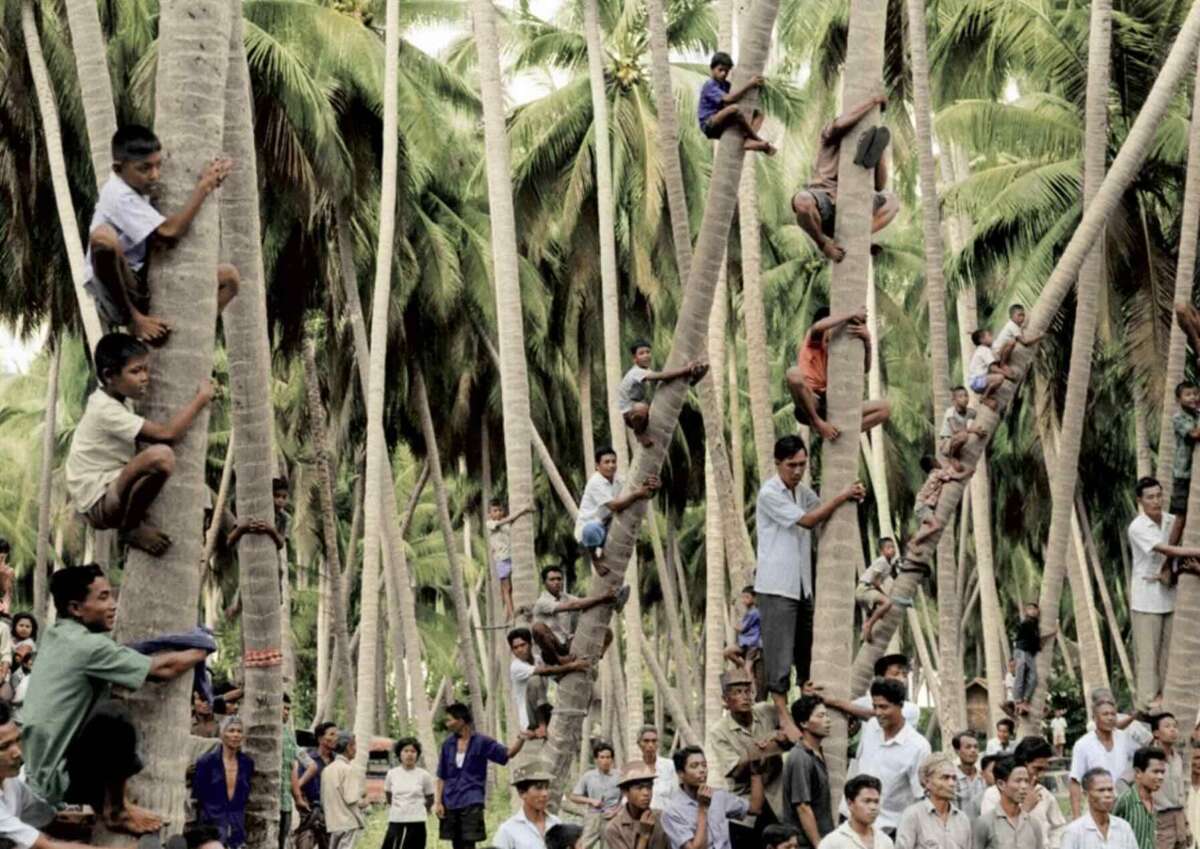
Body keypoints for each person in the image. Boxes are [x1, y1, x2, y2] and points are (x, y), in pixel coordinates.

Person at [22, 564, 208, 834]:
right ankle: (116, 810)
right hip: (55, 781)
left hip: (39, 770)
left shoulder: (55, 636)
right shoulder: (89, 646)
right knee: (114, 716)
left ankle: (106, 802)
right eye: (103, 597)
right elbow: (162, 670)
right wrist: (203, 648)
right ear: (76, 608)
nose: (113, 605)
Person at [756, 435, 867, 740]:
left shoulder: (801, 492)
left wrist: (850, 497)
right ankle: (783, 716)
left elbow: (823, 510)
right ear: (778, 463)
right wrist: (842, 496)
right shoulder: (770, 493)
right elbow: (808, 520)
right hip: (777, 585)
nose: (797, 471)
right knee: (779, 655)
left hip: (803, 586)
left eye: (802, 465)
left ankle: (808, 710)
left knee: (806, 653)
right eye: (791, 465)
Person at [65, 333, 216, 555]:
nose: (145, 377)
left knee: (201, 488)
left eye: (146, 369)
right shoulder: (104, 409)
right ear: (109, 376)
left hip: (113, 488)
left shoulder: (119, 399)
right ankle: (130, 529)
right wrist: (201, 399)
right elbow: (168, 434)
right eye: (135, 371)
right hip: (99, 500)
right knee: (161, 456)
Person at [84, 124, 238, 342]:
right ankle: (135, 321)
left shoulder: (140, 186)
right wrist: (204, 187)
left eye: (158, 165)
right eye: (144, 168)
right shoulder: (118, 195)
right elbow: (169, 231)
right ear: (118, 169)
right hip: (116, 292)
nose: (155, 175)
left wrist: (218, 168)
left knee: (230, 278)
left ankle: (194, 332)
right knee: (103, 238)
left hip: (145, 277)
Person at [791, 93, 898, 262]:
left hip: (856, 204)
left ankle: (861, 236)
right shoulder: (830, 134)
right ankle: (824, 245)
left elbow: (879, 185)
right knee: (802, 201)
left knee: (892, 201)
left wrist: (880, 152)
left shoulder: (871, 139)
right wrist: (873, 100)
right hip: (825, 201)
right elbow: (840, 124)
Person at [1126, 478, 1200, 710]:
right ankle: (1148, 702)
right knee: (1149, 654)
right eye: (1150, 497)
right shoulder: (1137, 527)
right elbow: (1165, 549)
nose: (1156, 501)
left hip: (1170, 595)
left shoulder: (1171, 521)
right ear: (1140, 500)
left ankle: (1168, 698)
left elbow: (1177, 546)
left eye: (1159, 495)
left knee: (1168, 653)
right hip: (1146, 599)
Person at [786, 307, 891, 442]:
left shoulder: (838, 352)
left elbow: (865, 369)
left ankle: (840, 432)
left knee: (884, 409)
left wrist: (867, 342)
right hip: (810, 403)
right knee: (793, 374)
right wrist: (852, 313)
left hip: (830, 405)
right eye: (829, 331)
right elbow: (818, 327)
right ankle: (818, 423)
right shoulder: (814, 342)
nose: (831, 336)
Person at [842, 678, 930, 837]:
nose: (877, 712)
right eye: (875, 706)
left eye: (884, 707)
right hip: (850, 824)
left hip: (888, 832)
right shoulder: (871, 727)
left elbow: (921, 797)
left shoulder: (918, 747)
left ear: (900, 705)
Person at [435, 703, 530, 849]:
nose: (447, 724)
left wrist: (521, 738)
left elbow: (508, 753)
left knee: (469, 843)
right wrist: (438, 802)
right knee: (456, 844)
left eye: (449, 720)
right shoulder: (448, 744)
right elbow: (441, 775)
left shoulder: (482, 742)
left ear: (460, 720)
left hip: (472, 800)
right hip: (450, 801)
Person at [707, 669, 787, 839]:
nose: (745, 697)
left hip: (778, 800)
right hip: (746, 808)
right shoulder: (718, 732)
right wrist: (763, 748)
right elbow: (736, 771)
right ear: (725, 700)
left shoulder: (766, 711)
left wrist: (779, 736)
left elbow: (791, 732)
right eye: (737, 692)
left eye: (747, 691)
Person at [660, 746, 763, 849]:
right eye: (694, 766)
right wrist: (702, 808)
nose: (702, 770)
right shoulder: (672, 811)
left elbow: (755, 808)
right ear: (681, 773)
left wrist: (755, 773)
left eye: (704, 765)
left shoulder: (718, 796)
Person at [575, 447, 660, 563]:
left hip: (610, 526)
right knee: (591, 530)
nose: (611, 465)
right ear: (597, 466)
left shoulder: (618, 479)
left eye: (613, 461)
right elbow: (614, 506)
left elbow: (640, 491)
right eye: (606, 462)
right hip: (590, 532)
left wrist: (652, 487)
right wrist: (637, 493)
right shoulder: (595, 482)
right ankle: (595, 560)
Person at [529, 565, 626, 666]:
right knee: (538, 627)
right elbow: (574, 605)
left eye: (559, 579)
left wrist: (606, 599)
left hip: (568, 643)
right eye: (552, 579)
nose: (556, 582)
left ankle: (598, 655)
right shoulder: (542, 602)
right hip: (551, 651)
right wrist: (602, 598)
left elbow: (583, 603)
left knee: (605, 630)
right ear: (544, 583)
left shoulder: (565, 597)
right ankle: (560, 659)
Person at [619, 340, 708, 448]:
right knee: (641, 408)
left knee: (667, 388)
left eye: (648, 352)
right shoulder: (635, 372)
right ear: (635, 359)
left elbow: (665, 379)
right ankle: (639, 433)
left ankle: (691, 379)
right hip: (631, 415)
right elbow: (663, 376)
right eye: (641, 353)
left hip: (642, 411)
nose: (646, 355)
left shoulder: (646, 370)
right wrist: (687, 369)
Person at [980, 737, 1066, 849]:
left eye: (1044, 769)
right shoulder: (993, 794)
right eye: (1037, 769)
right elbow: (992, 836)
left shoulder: (1043, 793)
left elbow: (1059, 827)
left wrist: (1053, 846)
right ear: (1022, 765)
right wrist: (1025, 809)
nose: (1041, 775)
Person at [1069, 692, 1141, 818]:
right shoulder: (1083, 744)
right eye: (1105, 714)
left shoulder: (1124, 738)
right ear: (1094, 718)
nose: (1110, 718)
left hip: (1125, 805)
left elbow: (1141, 760)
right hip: (1096, 807)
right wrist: (1076, 816)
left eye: (1113, 714)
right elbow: (1075, 781)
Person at [506, 627, 588, 731]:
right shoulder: (516, 666)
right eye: (515, 648)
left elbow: (555, 675)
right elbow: (546, 671)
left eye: (523, 645)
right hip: (531, 719)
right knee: (535, 680)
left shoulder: (538, 659)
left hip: (546, 709)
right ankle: (542, 726)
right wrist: (572, 666)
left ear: (530, 644)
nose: (520, 650)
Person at [192, 716, 255, 849]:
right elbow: (198, 797)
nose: (236, 735)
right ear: (222, 734)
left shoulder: (247, 763)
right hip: (211, 827)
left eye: (239, 731)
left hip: (237, 827)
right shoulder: (206, 762)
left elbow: (245, 796)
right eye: (231, 730)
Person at [696, 53, 775, 154]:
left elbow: (739, 94)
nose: (724, 73)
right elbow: (729, 98)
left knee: (758, 115)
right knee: (734, 109)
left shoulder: (726, 85)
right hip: (709, 124)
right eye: (720, 70)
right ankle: (756, 139)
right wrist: (750, 84)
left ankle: (748, 140)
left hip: (723, 123)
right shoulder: (710, 85)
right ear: (712, 68)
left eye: (726, 71)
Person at [782, 695, 832, 848]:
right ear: (804, 723)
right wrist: (819, 845)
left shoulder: (816, 753)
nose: (827, 720)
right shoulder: (800, 757)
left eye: (827, 715)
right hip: (805, 843)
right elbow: (802, 807)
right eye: (820, 716)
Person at [817, 654, 920, 727]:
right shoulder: (864, 702)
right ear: (880, 678)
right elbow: (849, 714)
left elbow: (872, 715)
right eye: (896, 674)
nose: (902, 679)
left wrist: (834, 702)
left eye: (904, 675)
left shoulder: (911, 709)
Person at [894, 752, 972, 849]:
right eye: (945, 778)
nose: (952, 783)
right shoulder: (913, 816)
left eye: (954, 778)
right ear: (927, 782)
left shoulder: (962, 819)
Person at [973, 756, 1043, 849]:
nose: (1024, 786)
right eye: (1018, 781)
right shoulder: (985, 823)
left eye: (1026, 781)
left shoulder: (1033, 824)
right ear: (1001, 784)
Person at [911, 456, 973, 553]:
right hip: (922, 506)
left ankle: (917, 542)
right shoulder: (937, 473)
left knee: (928, 529)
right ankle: (914, 542)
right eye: (936, 461)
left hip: (922, 505)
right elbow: (955, 477)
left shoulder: (934, 474)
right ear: (933, 464)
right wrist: (968, 473)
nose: (939, 462)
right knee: (935, 526)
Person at [1063, 769, 1138, 849]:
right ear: (1086, 794)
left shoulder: (1123, 827)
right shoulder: (1074, 832)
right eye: (1101, 790)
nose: (1107, 795)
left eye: (1110, 790)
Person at [494, 761, 562, 849]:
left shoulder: (556, 823)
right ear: (522, 793)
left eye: (546, 787)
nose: (545, 793)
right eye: (538, 788)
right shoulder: (508, 830)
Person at [382, 737, 434, 849]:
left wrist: (422, 808)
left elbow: (430, 797)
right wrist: (397, 806)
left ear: (417, 754)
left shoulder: (424, 775)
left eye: (413, 751)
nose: (409, 754)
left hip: (417, 820)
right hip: (396, 819)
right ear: (399, 754)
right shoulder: (392, 774)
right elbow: (388, 794)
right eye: (406, 751)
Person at [568, 741, 622, 848]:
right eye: (602, 757)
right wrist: (591, 800)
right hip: (593, 817)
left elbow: (625, 798)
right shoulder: (588, 776)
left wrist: (616, 811)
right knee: (582, 846)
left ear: (612, 759)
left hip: (612, 818)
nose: (605, 761)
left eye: (608, 757)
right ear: (596, 759)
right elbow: (573, 796)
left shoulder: (619, 776)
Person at [818, 775, 894, 849]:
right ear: (850, 804)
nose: (873, 807)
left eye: (876, 802)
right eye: (867, 801)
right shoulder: (832, 842)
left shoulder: (885, 842)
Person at [605, 760, 668, 849]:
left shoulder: (663, 818)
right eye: (639, 788)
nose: (646, 793)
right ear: (625, 791)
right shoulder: (614, 828)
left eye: (649, 787)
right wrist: (644, 835)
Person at [1113, 748, 1167, 849]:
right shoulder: (1125, 801)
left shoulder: (1153, 804)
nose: (1160, 777)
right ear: (1138, 772)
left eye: (1162, 772)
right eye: (1155, 772)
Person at [488, 500, 532, 623]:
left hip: (512, 557)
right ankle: (511, 615)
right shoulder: (490, 524)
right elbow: (507, 520)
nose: (498, 513)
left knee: (513, 587)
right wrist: (523, 510)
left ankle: (512, 612)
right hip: (501, 559)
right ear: (489, 514)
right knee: (506, 588)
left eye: (500, 510)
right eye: (495, 511)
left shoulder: (506, 524)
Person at [1148, 714, 1187, 849]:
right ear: (1156, 733)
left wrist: (1185, 823)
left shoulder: (1178, 758)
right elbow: (1124, 782)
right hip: (1160, 819)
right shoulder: (1148, 757)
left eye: (1175, 726)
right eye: (1167, 726)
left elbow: (1180, 790)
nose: (1173, 730)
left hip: (1179, 817)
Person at [321, 734, 366, 849]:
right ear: (348, 747)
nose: (356, 749)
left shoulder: (327, 770)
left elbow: (323, 799)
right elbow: (351, 800)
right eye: (354, 745)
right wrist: (360, 820)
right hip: (348, 822)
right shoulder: (348, 769)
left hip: (333, 823)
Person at [856, 539, 898, 642]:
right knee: (887, 603)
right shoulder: (882, 561)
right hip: (865, 589)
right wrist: (884, 594)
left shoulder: (888, 564)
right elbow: (874, 581)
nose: (892, 549)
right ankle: (869, 625)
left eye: (893, 547)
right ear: (882, 551)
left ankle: (864, 631)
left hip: (867, 590)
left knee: (880, 613)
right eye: (888, 547)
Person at [280, 695, 304, 849]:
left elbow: (293, 767)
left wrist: (298, 798)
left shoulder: (289, 734)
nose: (286, 712)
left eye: (288, 709)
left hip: (286, 802)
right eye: (283, 708)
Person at [939, 386, 983, 470]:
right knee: (963, 435)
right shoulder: (950, 411)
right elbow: (955, 430)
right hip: (946, 443)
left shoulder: (970, 412)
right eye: (960, 396)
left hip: (960, 443)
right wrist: (974, 430)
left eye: (966, 395)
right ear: (954, 400)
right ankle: (951, 457)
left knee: (965, 436)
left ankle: (958, 455)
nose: (965, 398)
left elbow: (981, 416)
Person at [636, 726, 678, 813]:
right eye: (646, 741)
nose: (650, 745)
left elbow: (676, 795)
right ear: (639, 744)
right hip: (642, 816)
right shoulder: (634, 768)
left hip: (666, 816)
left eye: (654, 741)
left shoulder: (669, 766)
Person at [298, 721, 339, 810]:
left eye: (337, 735)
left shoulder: (338, 760)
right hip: (312, 809)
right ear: (320, 739)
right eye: (332, 734)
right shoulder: (308, 760)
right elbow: (298, 785)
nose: (336, 738)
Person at [723, 587, 762, 675]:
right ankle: (743, 665)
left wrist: (735, 624)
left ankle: (750, 678)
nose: (744, 600)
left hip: (752, 644)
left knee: (748, 670)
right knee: (727, 652)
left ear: (754, 598)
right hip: (744, 643)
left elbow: (741, 628)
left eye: (747, 597)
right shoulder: (749, 612)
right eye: (743, 597)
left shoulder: (754, 612)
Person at [1012, 604, 1041, 716]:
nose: (1033, 611)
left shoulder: (1035, 624)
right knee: (1021, 676)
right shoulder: (1026, 623)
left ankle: (1024, 701)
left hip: (1028, 653)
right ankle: (1018, 702)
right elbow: (1020, 636)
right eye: (1030, 609)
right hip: (1021, 650)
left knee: (1033, 678)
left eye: (1034, 609)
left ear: (1038, 611)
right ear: (1026, 611)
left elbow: (1037, 641)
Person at [951, 732, 985, 819]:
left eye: (976, 747)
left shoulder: (984, 777)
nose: (973, 750)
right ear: (957, 751)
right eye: (968, 747)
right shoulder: (951, 778)